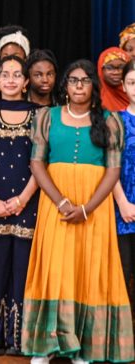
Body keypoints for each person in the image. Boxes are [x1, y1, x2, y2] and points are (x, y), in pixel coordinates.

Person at [22, 59, 134, 364]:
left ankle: (84, 347)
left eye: (85, 81)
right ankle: (45, 347)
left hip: (94, 210)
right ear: (65, 86)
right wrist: (61, 202)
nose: (79, 86)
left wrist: (87, 208)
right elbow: (36, 163)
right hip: (55, 207)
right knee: (54, 270)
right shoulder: (47, 116)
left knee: (88, 271)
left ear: (93, 87)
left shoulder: (110, 121)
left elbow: (113, 172)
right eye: (73, 81)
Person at [0, 55, 39, 356]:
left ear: (26, 81)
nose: (12, 79)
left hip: (28, 203)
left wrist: (22, 199)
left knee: (24, 271)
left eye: (18, 75)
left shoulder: (41, 115)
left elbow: (42, 163)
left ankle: (21, 340)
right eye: (6, 74)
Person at [114, 59, 135, 334]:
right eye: (132, 82)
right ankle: (124, 335)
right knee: (123, 272)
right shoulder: (115, 120)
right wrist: (122, 202)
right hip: (122, 208)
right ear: (123, 86)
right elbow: (110, 166)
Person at [98, 47, 130, 112]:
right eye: (109, 68)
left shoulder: (132, 92)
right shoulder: (94, 98)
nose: (116, 72)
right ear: (101, 70)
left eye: (121, 67)